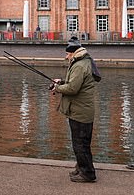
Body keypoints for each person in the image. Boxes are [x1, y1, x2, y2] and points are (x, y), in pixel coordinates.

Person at [51, 36, 98, 183]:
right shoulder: (83, 62)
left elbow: (72, 88)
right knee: (83, 143)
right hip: (82, 110)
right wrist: (62, 82)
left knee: (80, 144)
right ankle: (82, 168)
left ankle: (87, 174)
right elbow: (76, 83)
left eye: (67, 54)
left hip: (80, 112)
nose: (66, 57)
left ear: (73, 53)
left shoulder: (79, 65)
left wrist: (57, 88)